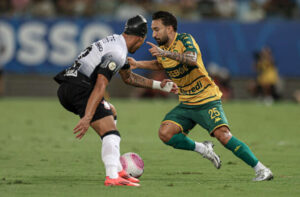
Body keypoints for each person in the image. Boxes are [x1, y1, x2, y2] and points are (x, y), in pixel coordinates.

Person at [128, 11, 273, 181]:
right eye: (152, 30)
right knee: (166, 133)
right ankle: (203, 148)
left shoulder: (184, 40)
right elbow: (160, 63)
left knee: (223, 136)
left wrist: (165, 53)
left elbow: (191, 59)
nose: (153, 34)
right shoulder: (164, 49)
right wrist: (138, 64)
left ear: (169, 28)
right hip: (186, 103)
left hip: (206, 99)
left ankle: (261, 169)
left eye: (156, 29)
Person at [54, 15, 178, 187]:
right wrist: (88, 117)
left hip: (68, 86)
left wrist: (160, 86)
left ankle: (118, 169)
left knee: (110, 112)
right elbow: (100, 85)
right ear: (140, 38)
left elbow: (128, 78)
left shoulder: (115, 42)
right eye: (143, 40)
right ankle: (112, 176)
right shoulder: (118, 53)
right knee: (111, 133)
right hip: (80, 89)